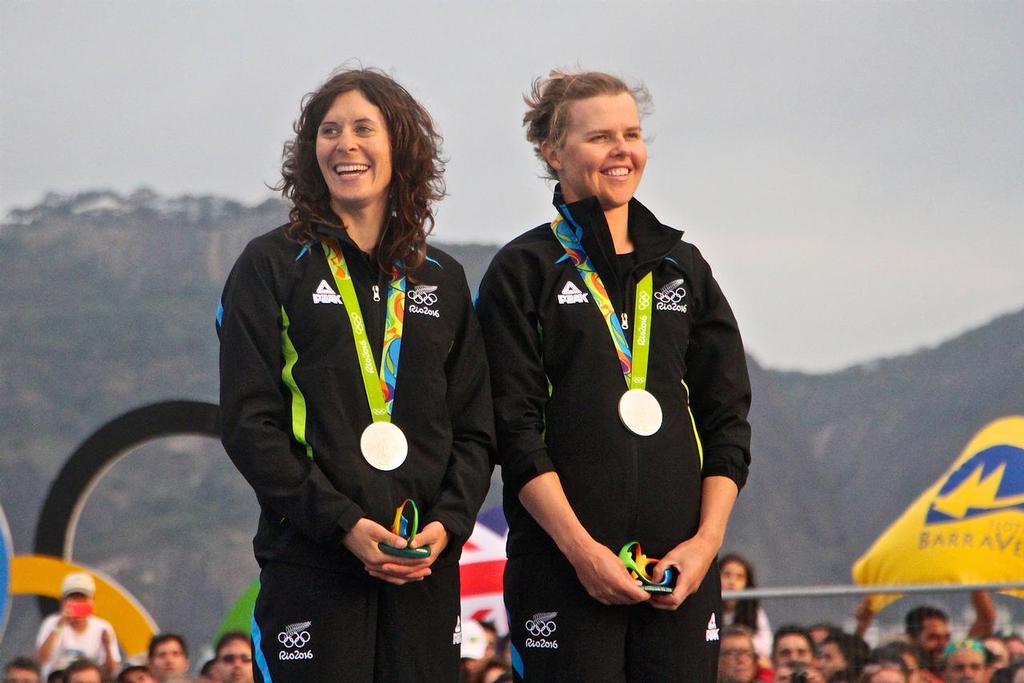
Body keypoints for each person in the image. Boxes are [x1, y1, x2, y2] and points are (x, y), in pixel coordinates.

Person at [217, 67, 494, 682]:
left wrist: (447, 527)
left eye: (364, 128)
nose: (344, 143)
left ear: (400, 145)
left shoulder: (442, 279)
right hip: (312, 564)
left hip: (423, 567)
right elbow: (249, 422)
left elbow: (475, 428)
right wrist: (341, 524)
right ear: (310, 152)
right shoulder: (270, 265)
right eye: (328, 130)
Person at [476, 68, 752, 682]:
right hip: (563, 571)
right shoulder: (523, 269)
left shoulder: (684, 267)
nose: (622, 149)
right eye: (600, 136)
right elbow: (513, 429)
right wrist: (582, 553)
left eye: (632, 133)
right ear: (553, 153)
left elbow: (726, 418)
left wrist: (705, 545)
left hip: (679, 574)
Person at [34, 572, 121, 677]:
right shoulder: (52, 623)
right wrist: (59, 626)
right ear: (63, 600)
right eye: (73, 598)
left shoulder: (103, 627)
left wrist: (107, 647)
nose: (78, 602)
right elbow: (41, 659)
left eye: (82, 598)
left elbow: (112, 671)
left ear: (92, 601)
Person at [721, 553, 773, 663]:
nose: (732, 582)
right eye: (727, 575)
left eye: (739, 577)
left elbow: (765, 647)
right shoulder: (707, 611)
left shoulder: (755, 613)